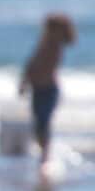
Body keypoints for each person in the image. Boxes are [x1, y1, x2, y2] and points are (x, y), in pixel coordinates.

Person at [19, 13, 77, 170]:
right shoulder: (44, 44)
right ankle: (44, 154)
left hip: (48, 90)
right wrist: (25, 81)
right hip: (39, 89)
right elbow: (31, 65)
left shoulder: (55, 48)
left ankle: (45, 156)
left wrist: (27, 79)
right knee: (38, 124)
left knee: (43, 123)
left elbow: (41, 67)